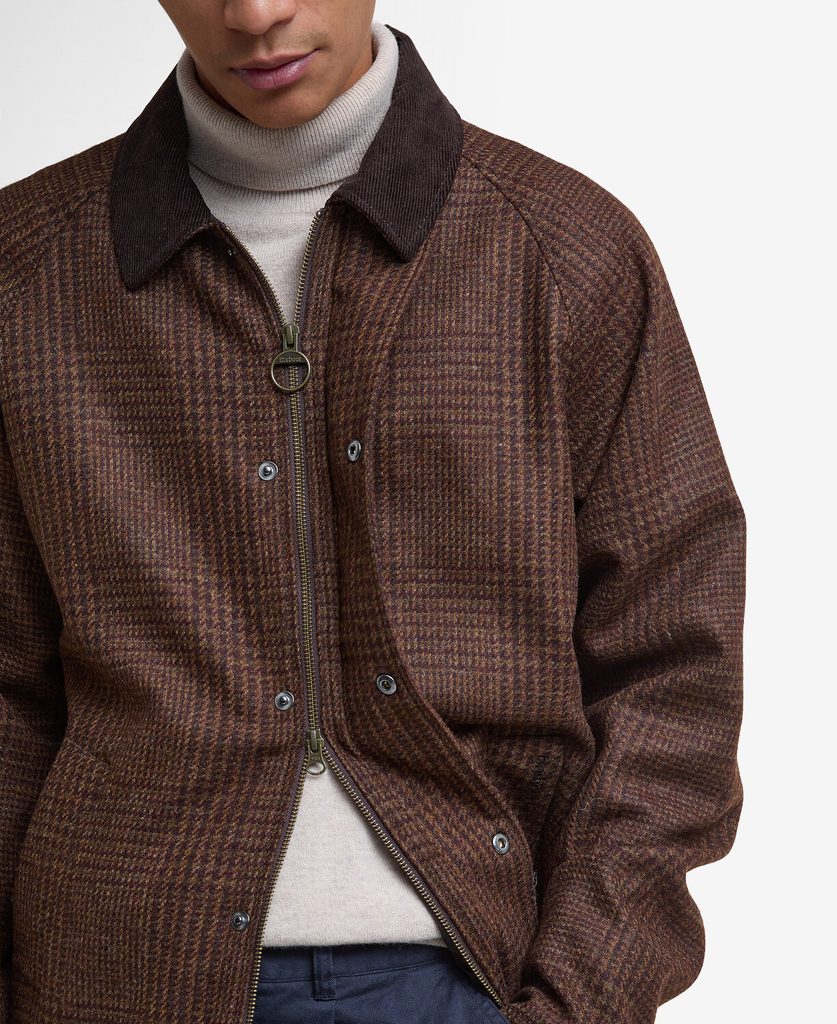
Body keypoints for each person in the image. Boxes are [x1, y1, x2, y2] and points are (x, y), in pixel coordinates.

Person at [0, 3, 747, 1023]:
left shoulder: (564, 250)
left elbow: (672, 672)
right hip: (113, 975)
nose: (256, 13)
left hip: (472, 973)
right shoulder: (28, 273)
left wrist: (585, 996)